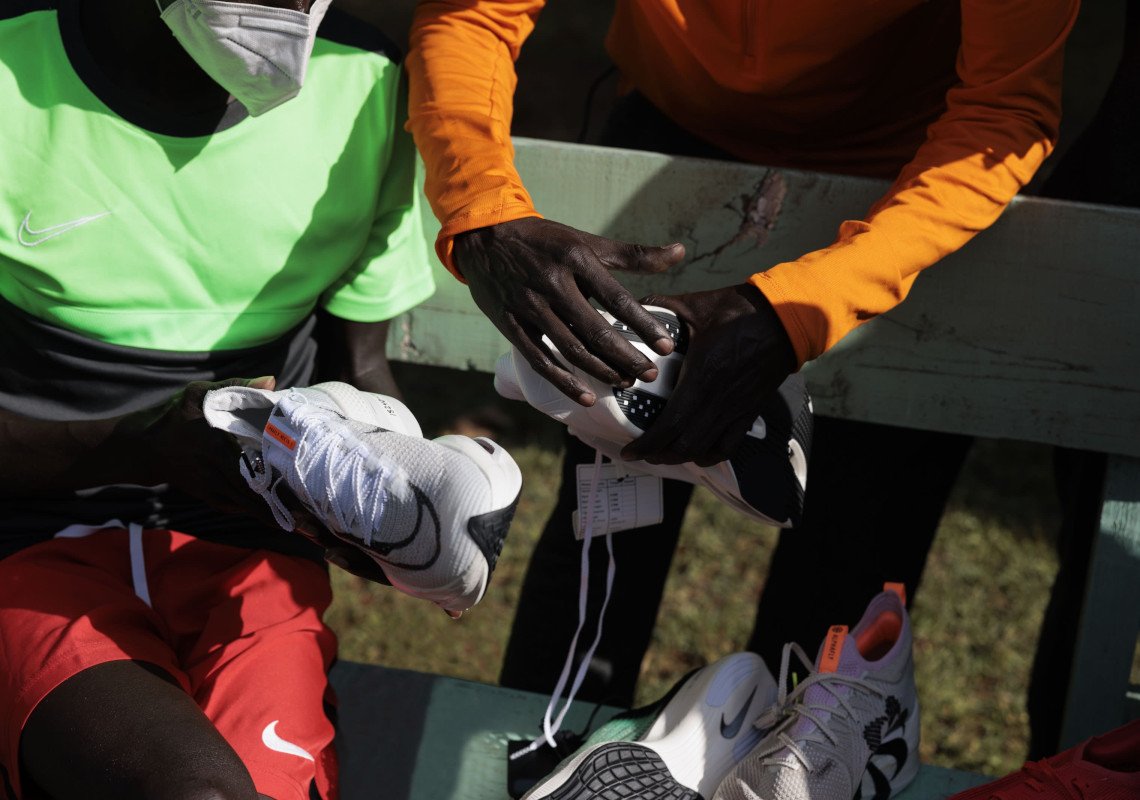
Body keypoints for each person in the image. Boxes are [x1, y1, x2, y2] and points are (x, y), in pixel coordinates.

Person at [404, 0, 1078, 735]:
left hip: (910, 177)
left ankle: (795, 768)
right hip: (669, 137)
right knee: (604, 543)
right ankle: (548, 754)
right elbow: (473, 14)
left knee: (840, 589)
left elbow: (1004, 109)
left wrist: (797, 312)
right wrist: (482, 213)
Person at [0, 2, 434, 799]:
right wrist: (143, 445)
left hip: (251, 553)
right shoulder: (10, 63)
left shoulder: (364, 80)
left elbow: (364, 369)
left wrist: (419, 507)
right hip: (31, 543)